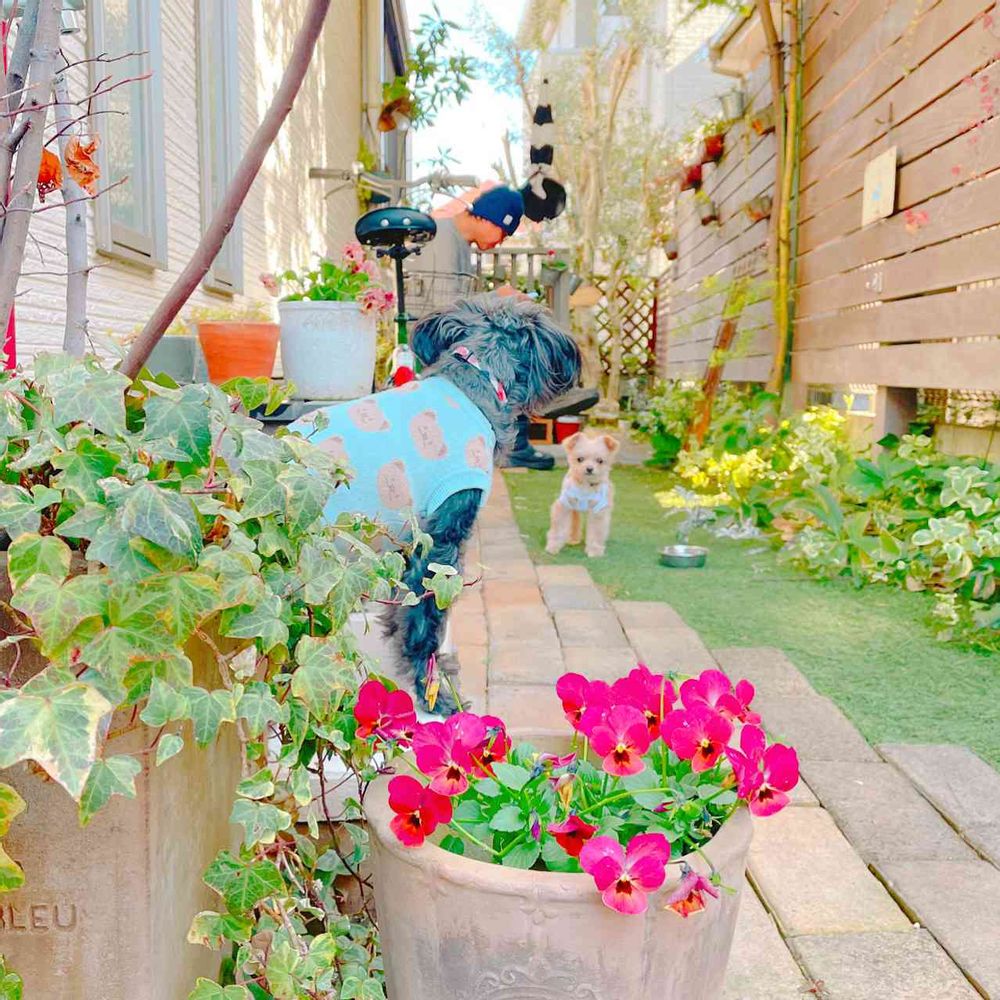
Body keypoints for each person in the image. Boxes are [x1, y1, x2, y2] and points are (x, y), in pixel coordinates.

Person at [409, 185, 558, 470]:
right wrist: (496, 298)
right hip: (426, 353)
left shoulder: (458, 242)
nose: (500, 242)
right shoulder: (440, 238)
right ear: (492, 218)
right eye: (504, 233)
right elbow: (443, 315)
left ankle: (515, 440)